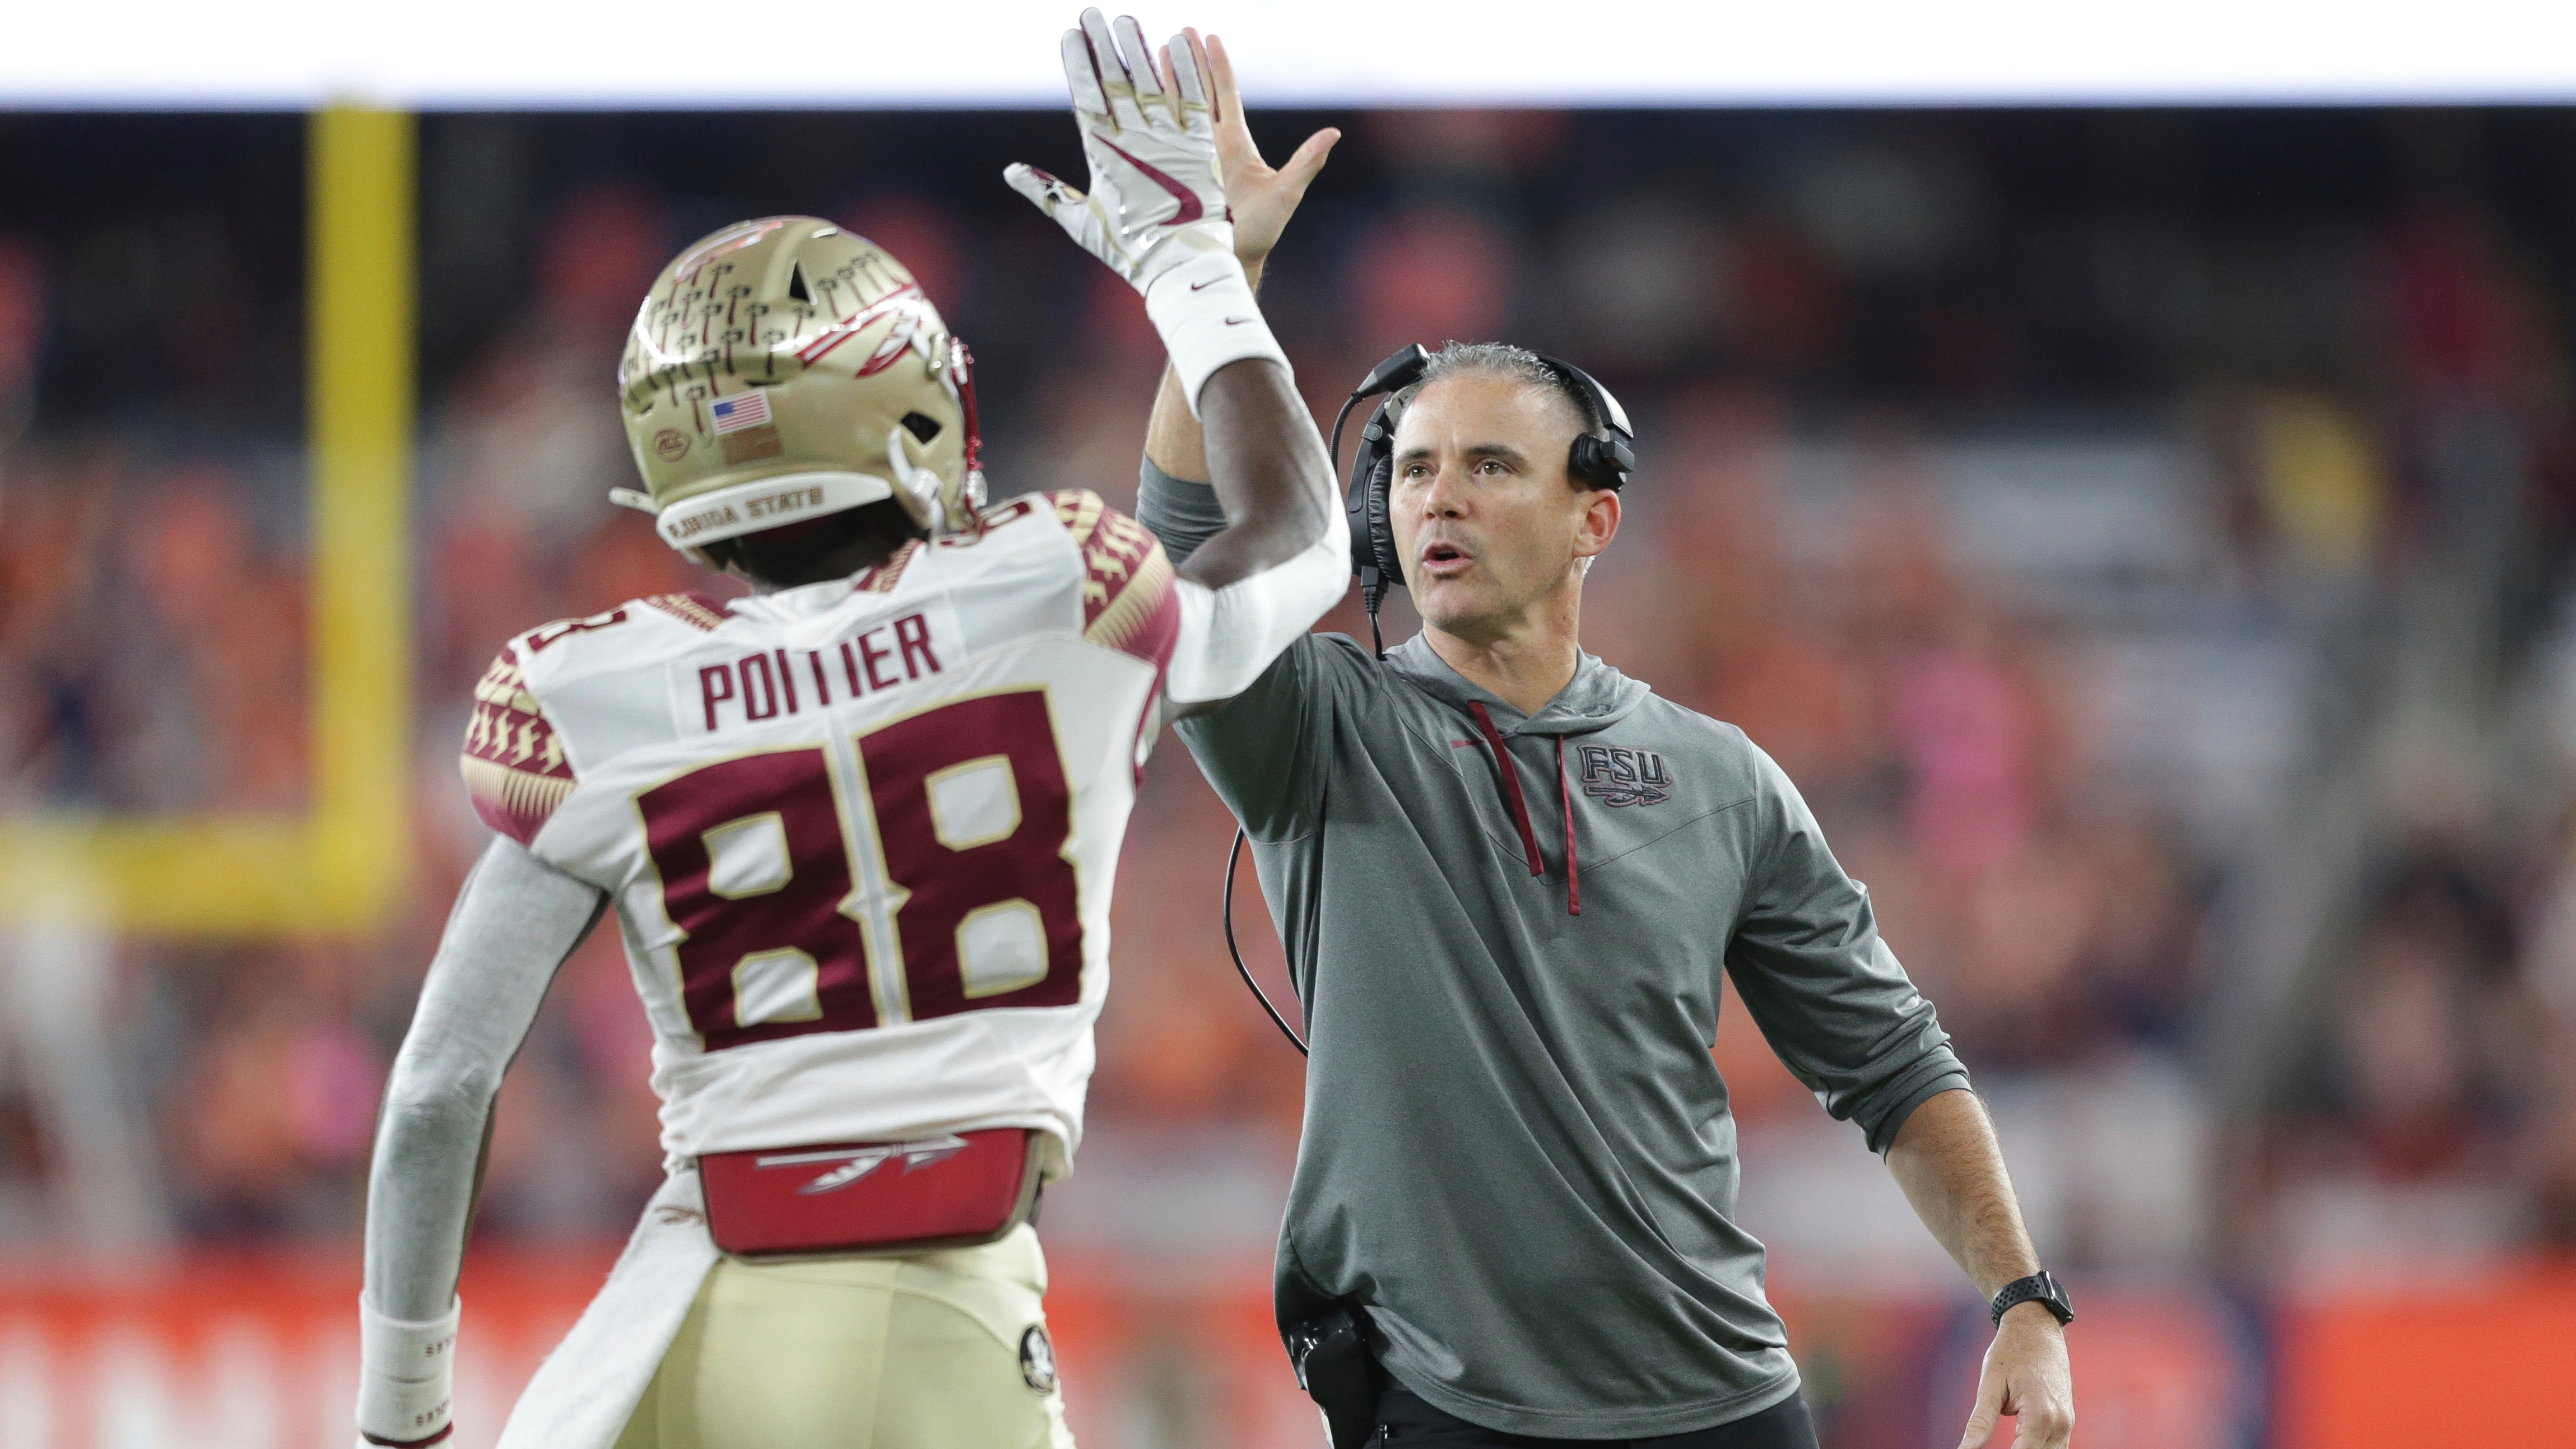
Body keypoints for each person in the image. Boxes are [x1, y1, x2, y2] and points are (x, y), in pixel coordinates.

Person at [354, 14, 1347, 1448]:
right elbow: (1296, 539)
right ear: (915, 407)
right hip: (937, 1310)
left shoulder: (600, 691)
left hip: (674, 1329)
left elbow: (440, 1087)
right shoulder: (1049, 589)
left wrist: (401, 1423)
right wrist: (1193, 268)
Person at [1132, 45, 2078, 1449]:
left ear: (1596, 518)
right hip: (1443, 1410)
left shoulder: (1723, 777)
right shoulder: (1325, 728)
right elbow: (1187, 550)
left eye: (1490, 465)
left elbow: (1893, 1065)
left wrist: (2023, 1296)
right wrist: (1206, 275)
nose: (1435, 498)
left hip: (1729, 1408)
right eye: (1410, 471)